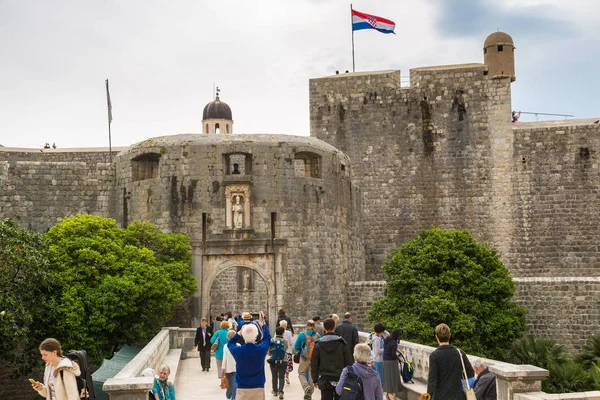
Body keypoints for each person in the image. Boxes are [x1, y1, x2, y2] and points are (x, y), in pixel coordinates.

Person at [227, 311, 271, 400]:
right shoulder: (261, 350)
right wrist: (263, 323)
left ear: (243, 335)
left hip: (242, 387)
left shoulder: (238, 350)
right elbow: (267, 338)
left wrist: (239, 333)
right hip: (258, 386)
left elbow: (230, 343)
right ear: (256, 336)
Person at [427, 323, 474, 400]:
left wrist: (428, 397)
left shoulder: (434, 355)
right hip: (458, 396)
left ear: (436, 337)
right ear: (449, 336)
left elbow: (432, 380)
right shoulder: (460, 353)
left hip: (440, 396)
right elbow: (470, 373)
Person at [311, 318, 352, 400]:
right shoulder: (342, 343)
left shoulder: (318, 344)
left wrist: (314, 379)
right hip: (340, 378)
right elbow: (349, 361)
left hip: (325, 379)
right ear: (334, 327)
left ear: (324, 328)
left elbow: (314, 363)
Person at [294, 320, 321, 400]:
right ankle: (309, 395)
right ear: (313, 326)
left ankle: (306, 387)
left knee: (301, 373)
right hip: (314, 358)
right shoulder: (318, 336)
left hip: (304, 357)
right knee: (311, 376)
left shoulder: (302, 335)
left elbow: (296, 347)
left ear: (306, 325)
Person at [269, 326, 289, 399]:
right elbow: (286, 349)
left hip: (273, 361)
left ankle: (275, 390)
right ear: (283, 333)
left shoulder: (272, 341)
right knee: (281, 376)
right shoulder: (285, 341)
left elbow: (269, 353)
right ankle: (281, 392)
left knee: (274, 376)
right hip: (283, 361)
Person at [382, 329, 403, 400]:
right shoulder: (394, 342)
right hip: (392, 362)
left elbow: (387, 349)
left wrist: (396, 349)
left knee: (387, 378)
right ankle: (394, 397)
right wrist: (399, 359)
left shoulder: (387, 339)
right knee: (394, 379)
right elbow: (393, 354)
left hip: (385, 360)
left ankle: (386, 395)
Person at [221, 330, 239, 400]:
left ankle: (232, 398)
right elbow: (224, 358)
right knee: (230, 385)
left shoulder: (227, 346)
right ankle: (228, 396)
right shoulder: (237, 345)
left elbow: (224, 358)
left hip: (232, 368)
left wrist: (223, 368)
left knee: (234, 386)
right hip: (232, 369)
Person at [279, 320, 294, 385]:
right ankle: (287, 376)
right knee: (288, 365)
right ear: (286, 325)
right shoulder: (288, 332)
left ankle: (282, 377)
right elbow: (291, 342)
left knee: (281, 365)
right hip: (288, 351)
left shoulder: (277, 332)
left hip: (280, 351)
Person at [371, 323, 386, 387]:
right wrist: (385, 349)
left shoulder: (377, 337)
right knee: (380, 379)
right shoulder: (376, 340)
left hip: (377, 360)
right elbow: (377, 351)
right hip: (378, 360)